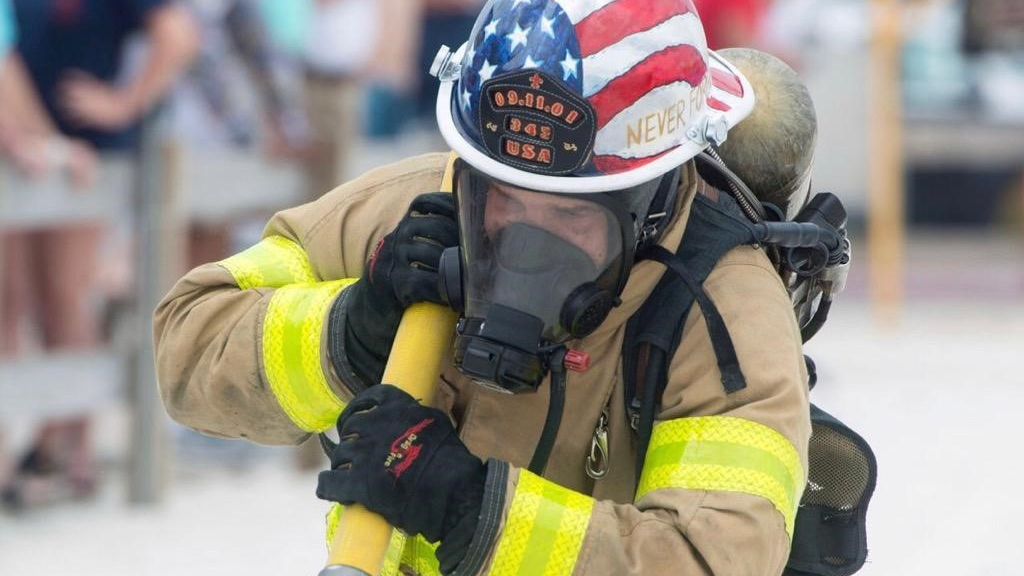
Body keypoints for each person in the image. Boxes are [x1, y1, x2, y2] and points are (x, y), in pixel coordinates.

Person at [154, 1, 810, 574]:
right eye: (503, 197)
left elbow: (713, 558)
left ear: (652, 201)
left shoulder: (727, 311)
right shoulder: (416, 209)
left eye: (571, 214)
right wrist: (350, 328)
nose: (525, 240)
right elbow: (186, 349)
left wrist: (469, 506)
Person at [2, 0, 198, 508]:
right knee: (19, 299)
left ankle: (68, 446)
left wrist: (125, 102)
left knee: (63, 295)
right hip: (29, 149)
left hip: (85, 154)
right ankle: (51, 442)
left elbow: (178, 34)